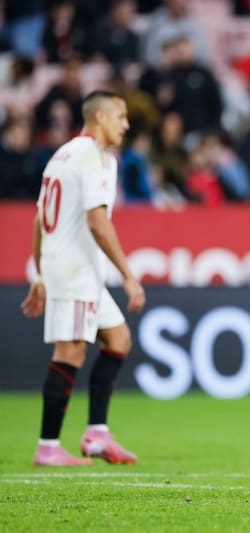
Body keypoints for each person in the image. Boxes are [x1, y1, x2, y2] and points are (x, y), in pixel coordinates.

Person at [20, 90, 146, 466]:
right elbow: (97, 221)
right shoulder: (95, 156)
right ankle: (48, 446)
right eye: (120, 116)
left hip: (71, 269)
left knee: (118, 338)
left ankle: (97, 434)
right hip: (75, 271)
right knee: (70, 352)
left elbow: (38, 218)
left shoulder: (63, 154)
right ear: (100, 117)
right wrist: (128, 276)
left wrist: (40, 274)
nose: (125, 124)